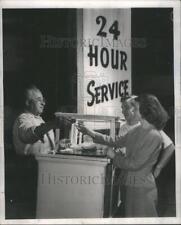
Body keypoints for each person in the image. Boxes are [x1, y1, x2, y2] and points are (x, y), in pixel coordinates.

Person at [76, 94, 169, 217]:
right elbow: (115, 141)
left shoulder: (154, 135)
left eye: (135, 108)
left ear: (145, 111)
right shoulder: (137, 130)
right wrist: (90, 132)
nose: (132, 111)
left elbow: (135, 164)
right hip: (130, 185)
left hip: (142, 190)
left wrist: (114, 156)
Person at [118, 95, 174, 178]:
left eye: (126, 108)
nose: (123, 111)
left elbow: (170, 147)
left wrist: (158, 168)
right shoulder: (122, 128)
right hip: (125, 174)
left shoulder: (148, 125)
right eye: (122, 108)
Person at [13, 85, 69, 155]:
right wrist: (53, 124)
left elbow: (46, 147)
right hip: (32, 164)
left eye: (43, 100)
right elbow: (28, 135)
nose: (43, 103)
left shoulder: (40, 120)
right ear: (28, 102)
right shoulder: (22, 119)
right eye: (39, 100)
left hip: (45, 163)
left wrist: (59, 144)